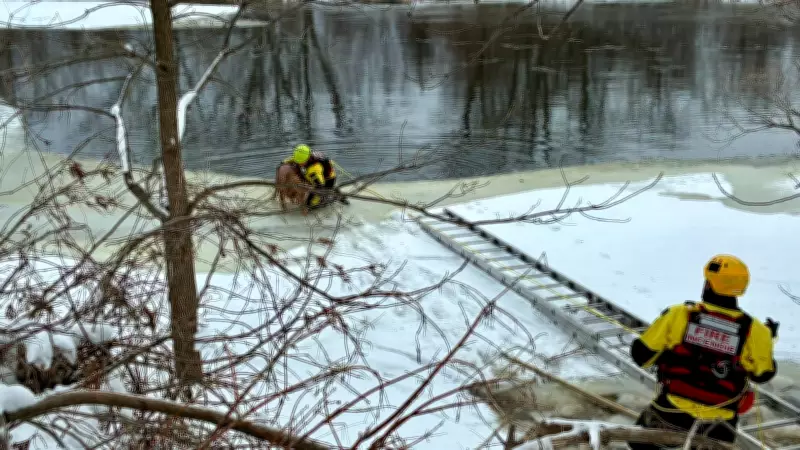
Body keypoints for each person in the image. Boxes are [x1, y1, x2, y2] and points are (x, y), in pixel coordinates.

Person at [627, 254, 779, 450]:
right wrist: (767, 339)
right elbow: (762, 374)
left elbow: (641, 356)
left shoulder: (680, 314)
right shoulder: (756, 330)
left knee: (639, 444)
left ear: (709, 284)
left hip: (672, 411)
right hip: (720, 424)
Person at [283, 144, 349, 209]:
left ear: (308, 158)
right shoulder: (304, 155)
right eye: (298, 161)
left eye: (301, 162)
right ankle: (333, 190)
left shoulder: (314, 169)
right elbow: (294, 159)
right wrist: (283, 163)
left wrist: (315, 197)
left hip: (328, 179)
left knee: (310, 204)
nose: (299, 164)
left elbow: (320, 186)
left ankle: (334, 198)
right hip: (321, 174)